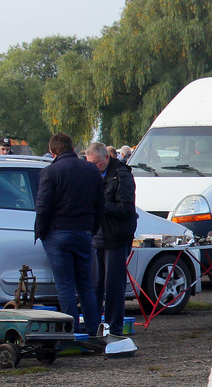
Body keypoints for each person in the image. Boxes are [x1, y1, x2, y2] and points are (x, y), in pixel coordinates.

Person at [35, 133, 104, 339]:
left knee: (65, 285)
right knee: (86, 284)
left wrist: (41, 231)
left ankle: (70, 332)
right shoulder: (91, 170)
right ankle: (93, 330)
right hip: (83, 232)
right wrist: (92, 228)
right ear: (73, 149)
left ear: (52, 152)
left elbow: (43, 206)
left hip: (58, 233)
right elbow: (100, 204)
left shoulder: (50, 172)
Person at [84, 143, 137, 334]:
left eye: (97, 163)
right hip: (96, 237)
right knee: (95, 284)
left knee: (114, 285)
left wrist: (101, 205)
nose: (94, 167)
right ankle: (93, 326)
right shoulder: (91, 174)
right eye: (90, 164)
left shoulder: (122, 175)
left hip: (115, 236)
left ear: (107, 158)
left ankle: (115, 327)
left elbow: (127, 208)